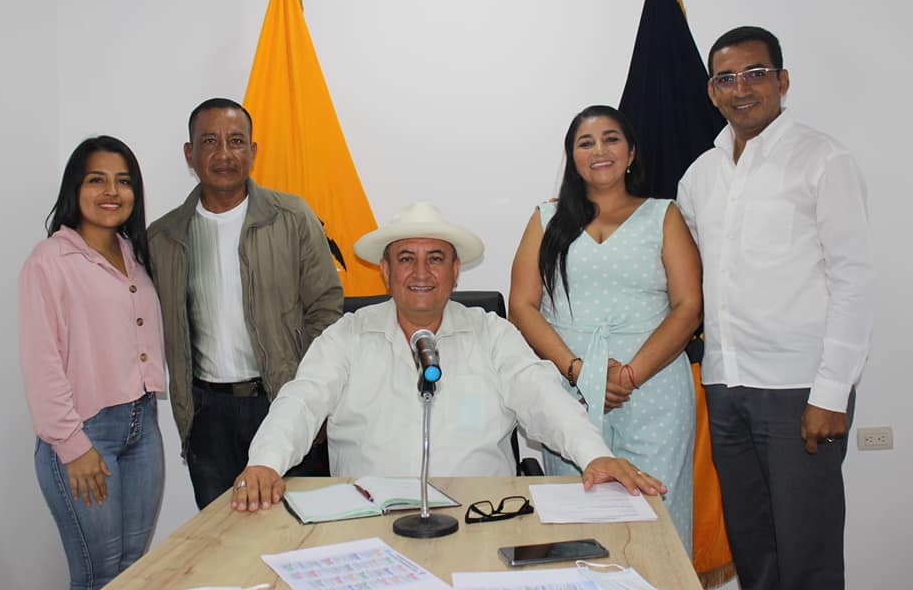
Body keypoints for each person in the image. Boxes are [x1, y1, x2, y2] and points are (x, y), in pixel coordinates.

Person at [231, 201, 669, 512]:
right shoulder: (347, 334)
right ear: (385, 272)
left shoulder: (492, 333)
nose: (421, 273)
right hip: (368, 519)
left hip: (479, 516)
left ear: (456, 271)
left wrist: (593, 455)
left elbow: (542, 396)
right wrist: (265, 463)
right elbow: (302, 401)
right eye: (406, 259)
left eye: (436, 259)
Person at [676, 26, 873, 590]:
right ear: (711, 91)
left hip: (800, 390)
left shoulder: (823, 159)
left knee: (807, 555)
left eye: (756, 73)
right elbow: (687, 273)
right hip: (726, 386)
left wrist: (831, 392)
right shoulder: (700, 175)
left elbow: (853, 279)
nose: (741, 88)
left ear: (783, 81)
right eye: (726, 78)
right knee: (753, 551)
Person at [508, 105, 702, 547]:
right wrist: (581, 372)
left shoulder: (663, 215)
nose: (600, 150)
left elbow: (689, 306)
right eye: (586, 142)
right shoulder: (546, 219)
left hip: (653, 388)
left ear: (631, 152)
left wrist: (629, 376)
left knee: (656, 516)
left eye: (611, 139)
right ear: (573, 157)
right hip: (570, 390)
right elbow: (522, 306)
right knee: (578, 520)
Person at [148, 98, 343, 509]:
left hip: (283, 401)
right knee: (221, 532)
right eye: (210, 141)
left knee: (295, 529)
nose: (224, 154)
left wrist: (317, 400)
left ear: (252, 151)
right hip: (207, 416)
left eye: (236, 141)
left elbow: (326, 311)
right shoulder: (163, 238)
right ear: (189, 153)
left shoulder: (291, 217)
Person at [19, 136, 165, 590]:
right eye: (97, 180)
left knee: (132, 568)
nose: (112, 191)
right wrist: (72, 445)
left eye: (124, 181)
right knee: (98, 574)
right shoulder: (50, 261)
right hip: (85, 435)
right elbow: (41, 364)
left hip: (143, 427)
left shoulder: (135, 254)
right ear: (75, 188)